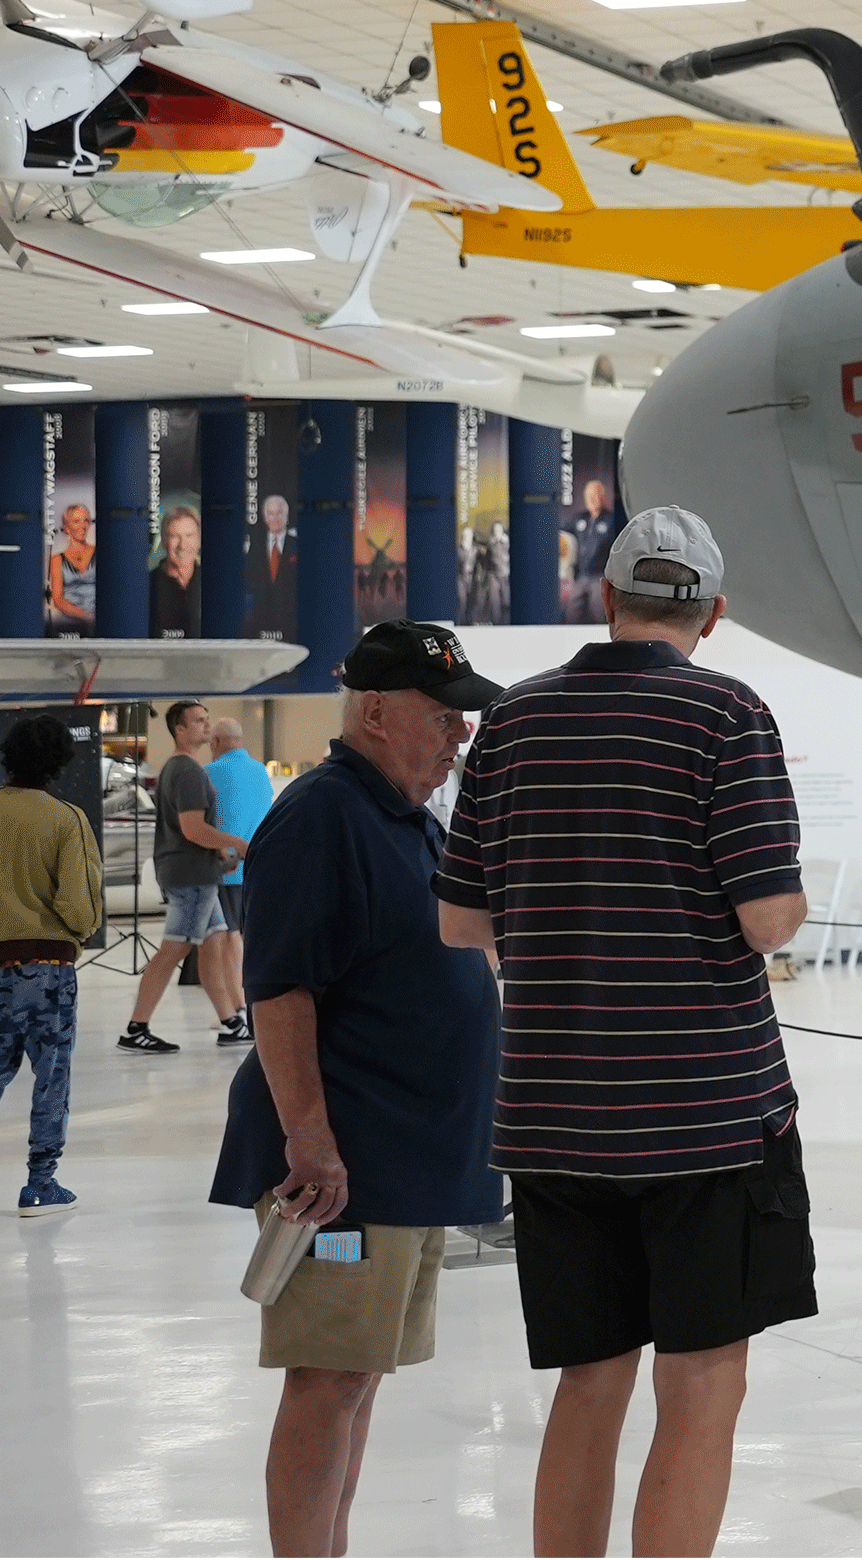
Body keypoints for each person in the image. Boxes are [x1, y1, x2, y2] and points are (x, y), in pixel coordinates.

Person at [434, 505, 813, 1559]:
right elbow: (766, 918)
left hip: (553, 1115)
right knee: (701, 1380)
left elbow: (459, 919)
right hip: (707, 1120)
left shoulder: (511, 721)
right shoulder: (725, 714)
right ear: (715, 613)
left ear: (605, 600)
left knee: (588, 1379)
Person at [208, 621, 505, 1559]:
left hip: (405, 1160)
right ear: (376, 711)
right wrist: (312, 1140)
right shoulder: (323, 816)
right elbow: (280, 989)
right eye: (443, 714)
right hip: (346, 1167)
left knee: (361, 1373)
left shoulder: (409, 817)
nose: (460, 733)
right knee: (327, 1377)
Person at [0, 715, 104, 1216]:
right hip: (46, 969)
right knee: (50, 1075)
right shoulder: (66, 819)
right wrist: (75, 934)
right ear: (61, 762)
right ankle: (40, 1184)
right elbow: (79, 907)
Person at [120, 701, 250, 1053]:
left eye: (208, 720)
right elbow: (192, 829)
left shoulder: (184, 768)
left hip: (195, 872)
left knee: (214, 942)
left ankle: (231, 1022)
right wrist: (234, 842)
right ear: (179, 729)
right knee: (173, 950)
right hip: (191, 875)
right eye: (198, 721)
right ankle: (136, 1027)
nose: (206, 727)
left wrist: (219, 850)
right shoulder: (188, 771)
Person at [205, 717, 275, 1028]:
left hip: (226, 869)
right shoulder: (260, 771)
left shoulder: (208, 773)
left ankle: (240, 1005)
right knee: (251, 935)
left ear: (216, 742)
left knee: (230, 937)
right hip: (259, 865)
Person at [563, 478, 615, 622]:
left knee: (599, 614)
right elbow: (561, 530)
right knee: (571, 614)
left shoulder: (612, 520)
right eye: (588, 496)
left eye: (595, 495)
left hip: (600, 576)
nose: (591, 499)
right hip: (581, 576)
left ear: (603, 497)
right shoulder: (580, 519)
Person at [149, 505, 203, 639]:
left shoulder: (215, 584)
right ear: (164, 541)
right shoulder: (147, 586)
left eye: (189, 536)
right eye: (175, 536)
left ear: (199, 540)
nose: (182, 545)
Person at [248, 494, 297, 639]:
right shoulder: (256, 545)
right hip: (259, 621)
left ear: (287, 517)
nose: (275, 518)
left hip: (290, 622)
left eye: (279, 513)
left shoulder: (297, 544)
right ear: (265, 518)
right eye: (271, 513)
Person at [47, 503, 95, 635]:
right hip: (69, 621)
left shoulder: (101, 552)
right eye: (76, 521)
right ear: (66, 527)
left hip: (102, 618)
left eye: (86, 520)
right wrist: (87, 617)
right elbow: (57, 599)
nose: (82, 526)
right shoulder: (57, 560)